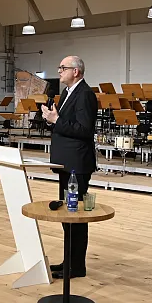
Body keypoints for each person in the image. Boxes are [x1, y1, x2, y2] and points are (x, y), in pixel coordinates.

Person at [40, 55, 98, 279]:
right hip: (65, 162)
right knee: (67, 215)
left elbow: (84, 130)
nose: (59, 71)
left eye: (63, 67)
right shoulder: (66, 93)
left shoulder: (85, 95)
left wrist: (57, 121)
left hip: (77, 163)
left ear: (76, 71)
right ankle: (69, 262)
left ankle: (77, 266)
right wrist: (50, 118)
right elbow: (64, 123)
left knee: (76, 215)